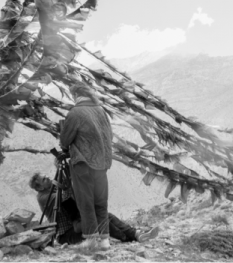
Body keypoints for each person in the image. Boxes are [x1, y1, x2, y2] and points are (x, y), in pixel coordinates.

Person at [59, 82, 123, 250]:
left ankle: (90, 240)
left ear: (75, 95)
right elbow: (109, 136)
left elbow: (65, 141)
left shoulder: (75, 113)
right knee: (101, 202)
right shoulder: (101, 111)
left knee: (85, 202)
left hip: (83, 164)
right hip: (102, 164)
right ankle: (104, 240)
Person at [29, 172, 159, 245]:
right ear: (39, 187)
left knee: (105, 215)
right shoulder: (43, 197)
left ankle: (136, 234)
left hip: (76, 226)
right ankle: (128, 238)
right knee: (100, 220)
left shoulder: (53, 189)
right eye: (44, 179)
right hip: (66, 234)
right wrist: (67, 179)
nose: (48, 178)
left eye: (46, 176)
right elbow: (66, 196)